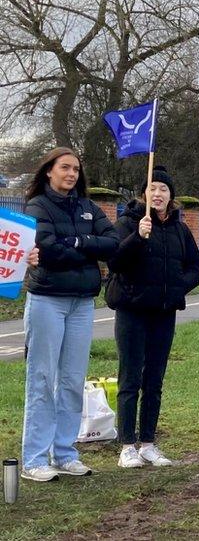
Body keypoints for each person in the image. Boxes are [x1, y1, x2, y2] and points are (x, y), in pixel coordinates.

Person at [20, 147, 119, 482]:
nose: (72, 174)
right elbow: (47, 250)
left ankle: (65, 453)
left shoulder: (89, 207)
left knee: (73, 381)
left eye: (76, 169)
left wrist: (75, 243)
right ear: (49, 171)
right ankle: (35, 458)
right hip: (48, 300)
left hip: (82, 302)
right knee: (42, 379)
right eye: (65, 167)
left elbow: (112, 242)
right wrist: (86, 248)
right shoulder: (37, 206)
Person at [106, 166, 199, 468]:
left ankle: (147, 442)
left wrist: (177, 287)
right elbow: (116, 261)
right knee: (130, 377)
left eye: (163, 189)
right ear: (143, 194)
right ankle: (126, 445)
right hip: (132, 311)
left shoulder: (179, 228)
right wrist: (138, 236)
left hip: (163, 312)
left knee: (154, 379)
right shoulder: (127, 223)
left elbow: (194, 267)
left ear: (171, 195)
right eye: (153, 188)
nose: (158, 194)